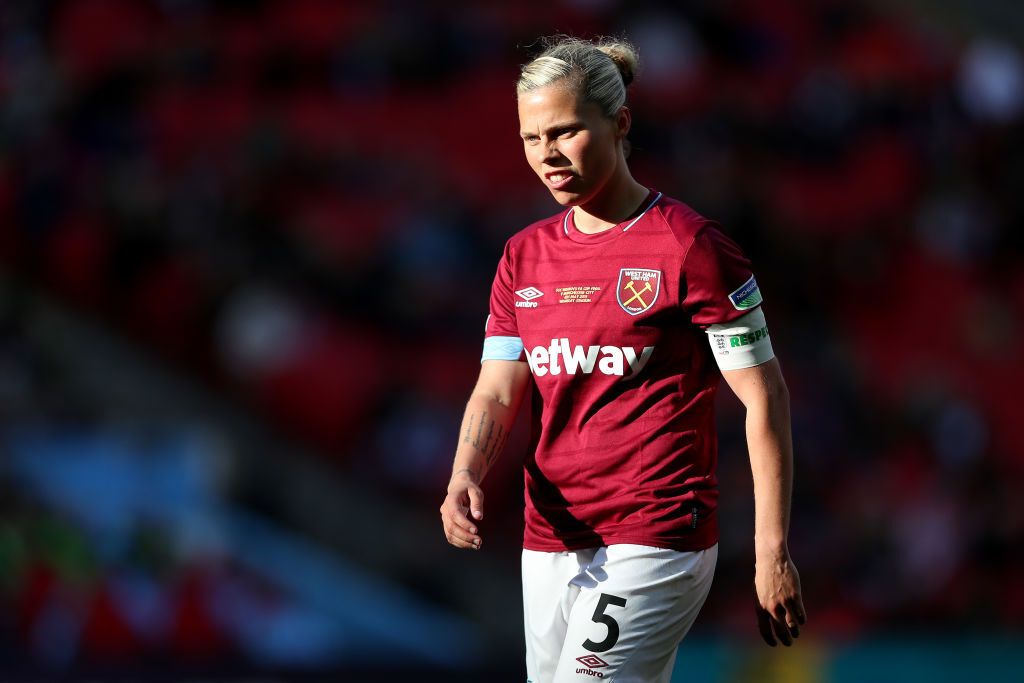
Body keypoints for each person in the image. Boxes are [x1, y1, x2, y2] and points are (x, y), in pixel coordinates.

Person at [439, 35, 805, 682]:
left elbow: (764, 394)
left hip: (656, 532)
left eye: (565, 131)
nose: (547, 155)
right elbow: (497, 389)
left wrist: (770, 549)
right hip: (550, 535)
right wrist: (465, 471)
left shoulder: (691, 248)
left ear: (621, 123)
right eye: (531, 138)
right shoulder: (523, 257)